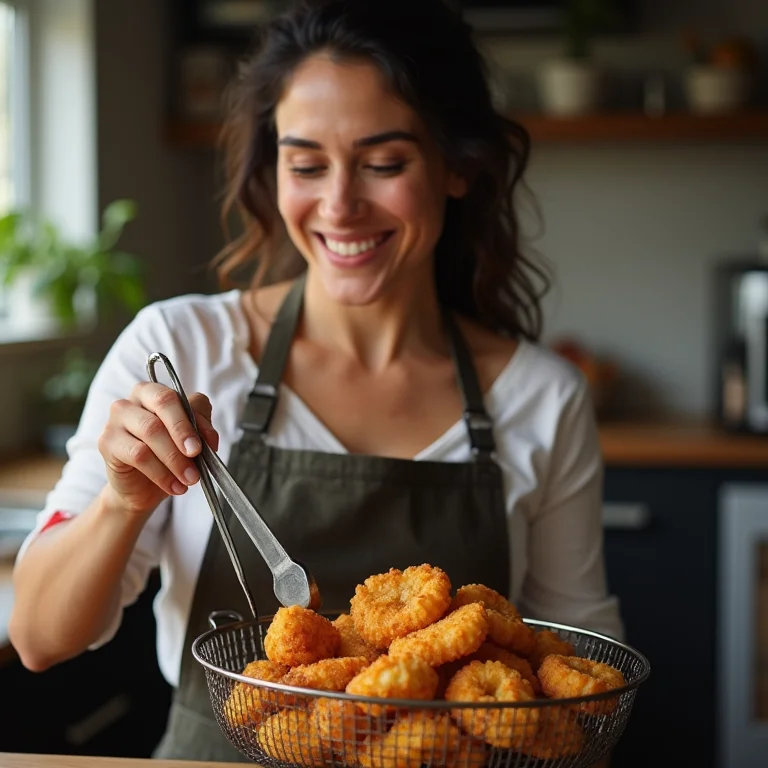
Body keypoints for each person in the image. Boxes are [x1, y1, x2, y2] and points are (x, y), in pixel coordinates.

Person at [10, 0, 623, 762]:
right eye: (305, 164)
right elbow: (38, 637)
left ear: (458, 166)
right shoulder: (183, 348)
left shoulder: (541, 397)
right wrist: (121, 501)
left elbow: (581, 683)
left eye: (383, 163)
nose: (338, 205)